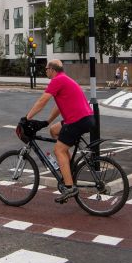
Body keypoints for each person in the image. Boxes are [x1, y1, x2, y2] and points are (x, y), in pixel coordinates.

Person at [26, 59, 95, 203]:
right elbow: (59, 106)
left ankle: (69, 187)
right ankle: (69, 168)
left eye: (46, 69)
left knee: (59, 150)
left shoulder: (57, 80)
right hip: (84, 117)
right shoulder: (65, 79)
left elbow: (42, 101)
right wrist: (47, 122)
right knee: (54, 130)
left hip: (77, 120)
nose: (45, 71)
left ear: (51, 69)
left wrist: (27, 118)